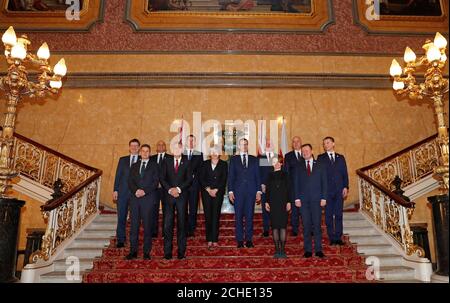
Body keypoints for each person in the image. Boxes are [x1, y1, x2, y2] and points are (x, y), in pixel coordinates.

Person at [126, 144, 159, 260]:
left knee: (147, 227)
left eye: (147, 151)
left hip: (148, 199)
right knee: (134, 226)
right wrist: (136, 191)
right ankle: (133, 251)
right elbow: (130, 181)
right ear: (140, 152)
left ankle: (146, 252)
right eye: (143, 151)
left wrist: (144, 191)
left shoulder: (155, 166)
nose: (145, 153)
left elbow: (155, 182)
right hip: (135, 200)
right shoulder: (134, 166)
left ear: (150, 153)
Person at [160, 142, 193, 260]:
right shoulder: (166, 161)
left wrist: (178, 189)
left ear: (182, 149)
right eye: (175, 148)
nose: (177, 150)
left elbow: (189, 179)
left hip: (182, 197)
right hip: (168, 197)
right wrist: (170, 190)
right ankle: (167, 252)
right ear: (171, 149)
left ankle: (181, 252)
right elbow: (162, 178)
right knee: (167, 225)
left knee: (182, 225)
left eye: (179, 148)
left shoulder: (187, 162)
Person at [294, 144, 327, 258]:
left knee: (317, 225)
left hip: (317, 200)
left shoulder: (320, 165)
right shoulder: (299, 166)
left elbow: (324, 182)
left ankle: (318, 250)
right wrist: (297, 198)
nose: (305, 153)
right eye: (303, 151)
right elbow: (296, 183)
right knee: (306, 225)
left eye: (307, 150)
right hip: (303, 201)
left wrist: (324, 198)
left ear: (312, 151)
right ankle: (308, 250)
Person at [228, 138, 262, 248]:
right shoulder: (234, 160)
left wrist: (258, 191)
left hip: (251, 192)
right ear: (238, 146)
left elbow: (258, 176)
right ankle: (239, 240)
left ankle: (248, 239)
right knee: (238, 217)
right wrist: (230, 191)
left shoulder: (254, 159)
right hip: (238, 192)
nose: (244, 146)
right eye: (242, 144)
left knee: (249, 216)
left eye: (246, 144)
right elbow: (231, 176)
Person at [317, 136, 349, 246]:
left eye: (328, 142)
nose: (326, 145)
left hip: (339, 190)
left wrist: (346, 187)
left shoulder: (341, 158)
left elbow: (345, 173)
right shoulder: (320, 158)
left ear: (333, 144)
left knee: (339, 214)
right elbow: (319, 176)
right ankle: (332, 237)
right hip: (327, 192)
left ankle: (338, 237)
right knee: (329, 215)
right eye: (324, 143)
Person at [113, 138, 140, 248]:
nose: (134, 147)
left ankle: (134, 240)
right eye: (132, 145)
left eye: (136, 146)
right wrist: (115, 190)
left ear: (138, 148)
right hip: (123, 193)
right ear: (129, 147)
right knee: (121, 217)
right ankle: (121, 239)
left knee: (135, 218)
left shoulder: (142, 160)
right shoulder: (122, 160)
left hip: (136, 194)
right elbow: (118, 175)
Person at [199, 146, 228, 250]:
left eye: (217, 151)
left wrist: (216, 190)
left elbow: (224, 179)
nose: (215, 153)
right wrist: (208, 189)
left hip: (218, 193)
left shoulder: (224, 164)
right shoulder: (204, 164)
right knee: (208, 216)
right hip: (206, 193)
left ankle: (215, 240)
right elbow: (201, 178)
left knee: (216, 216)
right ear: (210, 153)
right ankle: (209, 240)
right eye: (213, 152)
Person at [265, 157, 291, 258]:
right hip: (273, 203)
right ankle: (277, 250)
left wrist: (289, 201)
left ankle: (283, 250)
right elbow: (267, 190)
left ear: (281, 164)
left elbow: (289, 189)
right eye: (274, 162)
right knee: (275, 227)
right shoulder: (269, 175)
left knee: (283, 227)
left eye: (278, 162)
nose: (276, 164)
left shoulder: (286, 175)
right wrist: (266, 202)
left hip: (283, 203)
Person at [149, 140, 171, 238]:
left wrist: (165, 184)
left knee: (167, 211)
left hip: (166, 189)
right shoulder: (151, 158)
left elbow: (172, 174)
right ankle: (154, 231)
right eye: (159, 144)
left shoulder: (170, 158)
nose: (161, 146)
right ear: (156, 147)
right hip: (154, 189)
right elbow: (149, 173)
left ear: (165, 147)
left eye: (163, 144)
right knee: (154, 210)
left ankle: (165, 232)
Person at [283, 136, 303, 236]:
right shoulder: (288, 156)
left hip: (305, 188)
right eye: (294, 142)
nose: (296, 143)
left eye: (297, 141)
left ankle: (308, 228)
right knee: (294, 210)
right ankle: (295, 229)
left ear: (301, 143)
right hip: (293, 187)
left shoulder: (306, 154)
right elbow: (285, 173)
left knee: (306, 210)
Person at [184, 135, 204, 237]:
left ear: (195, 143)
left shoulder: (199, 154)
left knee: (193, 208)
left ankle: (191, 229)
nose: (191, 142)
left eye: (193, 141)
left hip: (194, 186)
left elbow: (201, 171)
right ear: (186, 142)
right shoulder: (181, 153)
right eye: (189, 140)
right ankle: (183, 228)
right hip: (182, 187)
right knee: (182, 208)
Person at [258, 138, 278, 238]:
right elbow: (258, 173)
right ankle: (266, 229)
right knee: (265, 209)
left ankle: (275, 227)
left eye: (270, 143)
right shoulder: (261, 157)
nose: (268, 145)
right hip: (264, 188)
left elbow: (281, 173)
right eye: (267, 144)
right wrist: (261, 184)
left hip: (276, 188)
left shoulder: (278, 157)